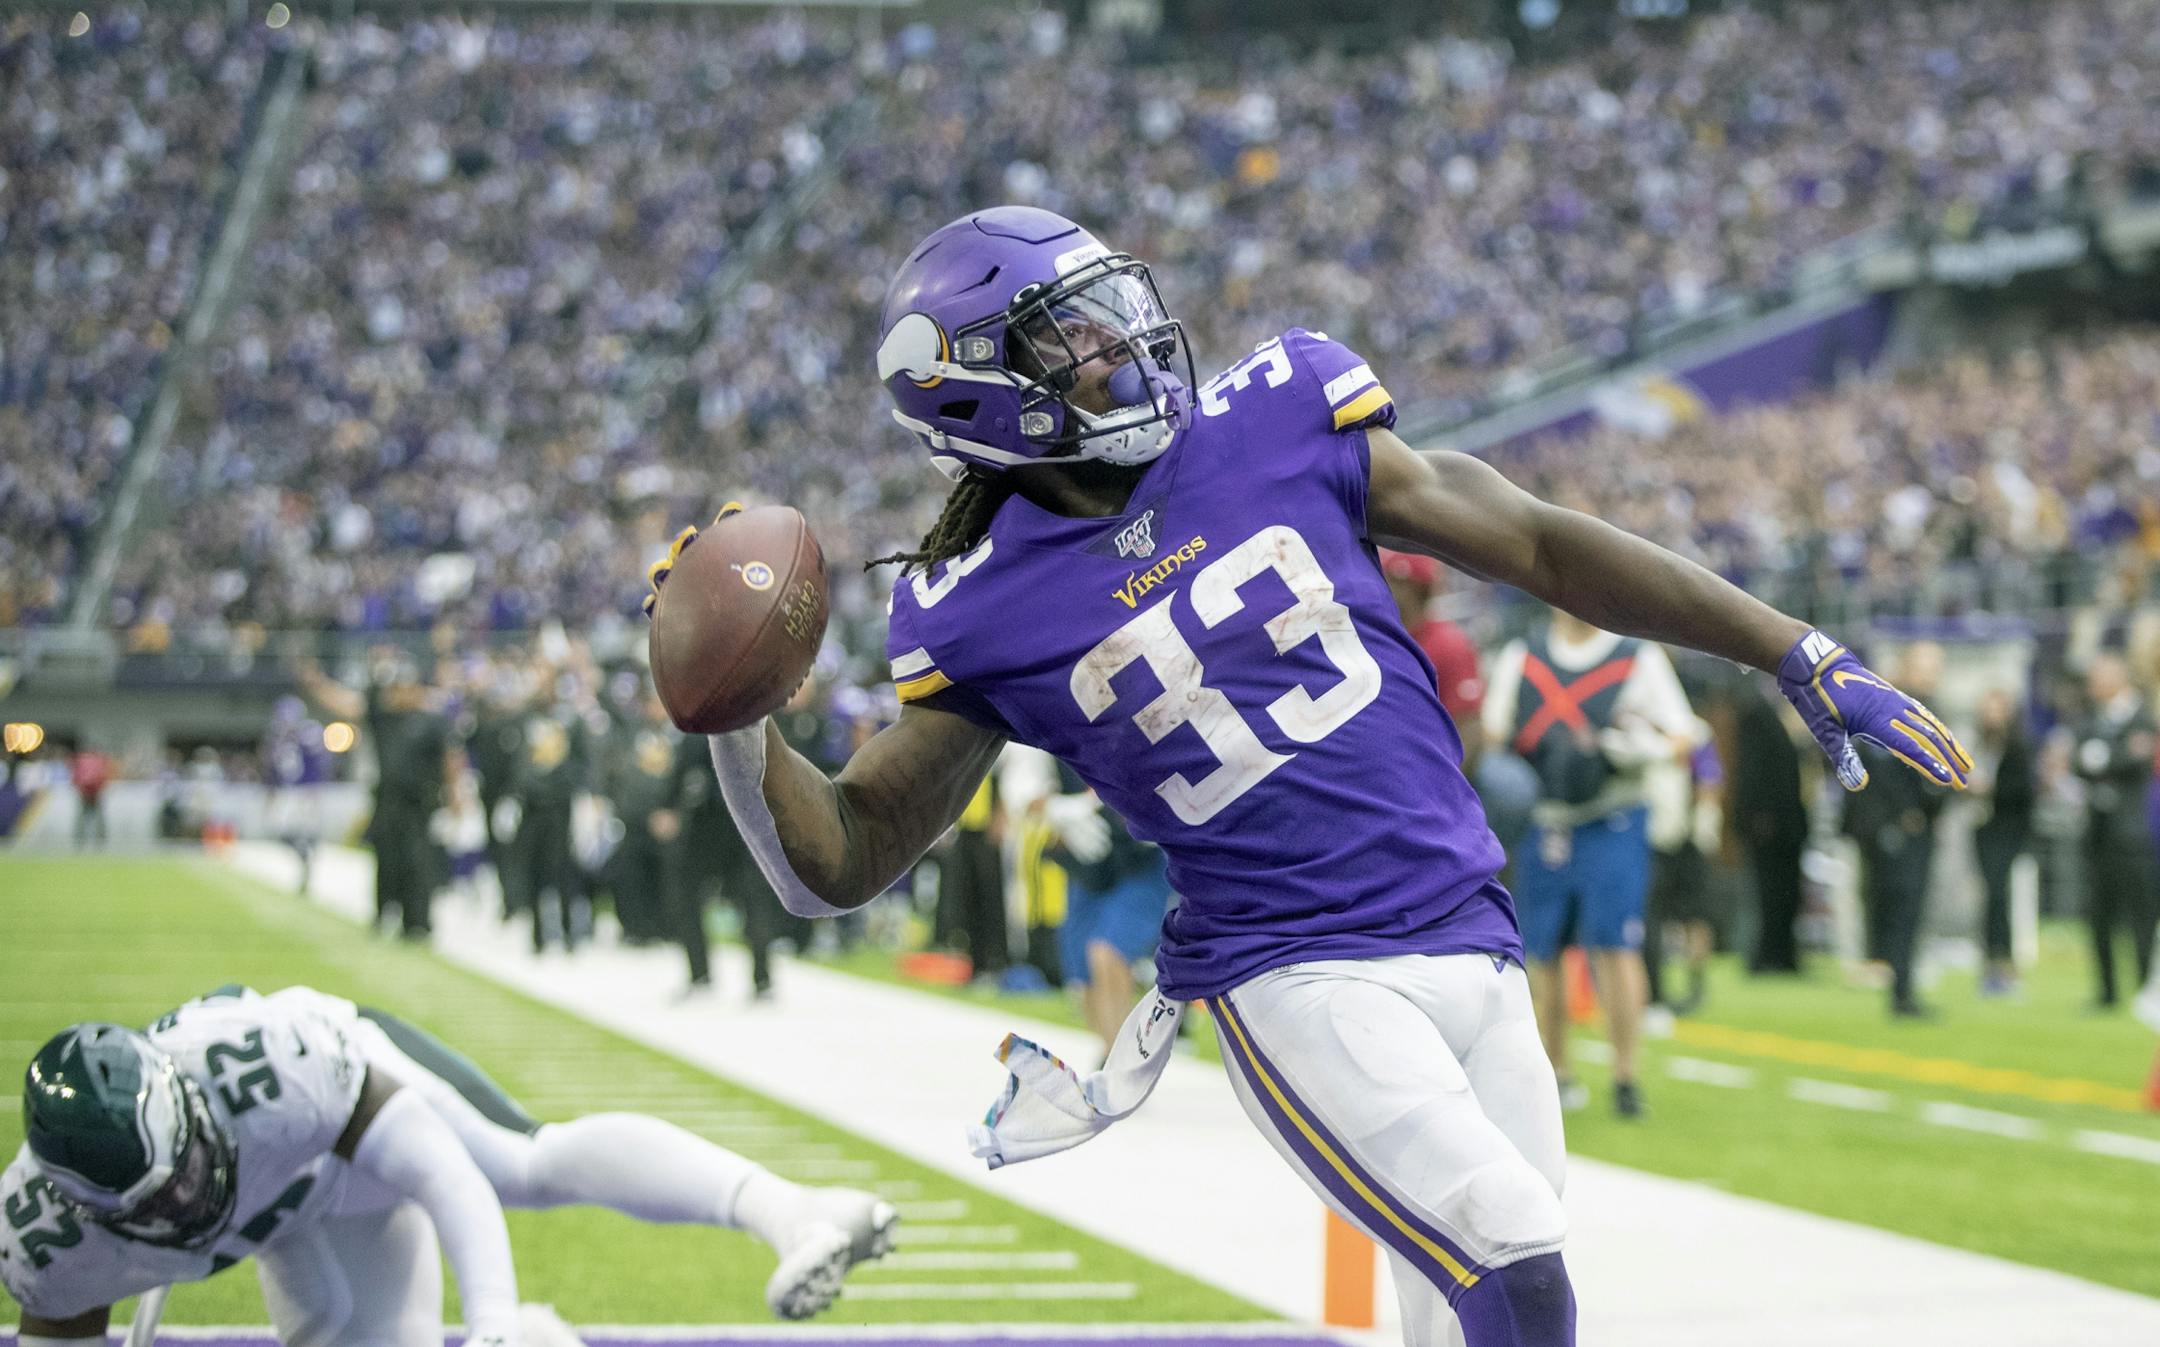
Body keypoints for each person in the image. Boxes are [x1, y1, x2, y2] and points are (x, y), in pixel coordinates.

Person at [650, 206, 1968, 1347]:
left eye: (1111, 308)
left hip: (1474, 931)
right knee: (1512, 1246)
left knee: (1467, 1307)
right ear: (973, 393)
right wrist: (734, 715)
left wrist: (1788, 646)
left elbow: (1535, 541)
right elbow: (844, 856)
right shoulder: (975, 608)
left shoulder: (1278, 413)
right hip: (1297, 973)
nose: (1120, 343)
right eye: (1067, 335)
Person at [0, 985, 896, 1346]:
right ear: (81, 1208)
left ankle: (794, 1207)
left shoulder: (271, 1068)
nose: (190, 1195)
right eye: (160, 1198)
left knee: (518, 1162)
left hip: (340, 1141)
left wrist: (493, 1323)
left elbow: (447, 1176)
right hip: (295, 1218)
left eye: (189, 1164)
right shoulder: (46, 1246)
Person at [1483, 614, 1696, 1118]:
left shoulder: (1636, 656)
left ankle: (1626, 1075)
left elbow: (1683, 736)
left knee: (1615, 944)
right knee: (1542, 948)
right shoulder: (1524, 653)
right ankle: (1556, 1070)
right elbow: (1494, 732)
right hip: (1546, 818)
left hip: (1612, 815)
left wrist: (1636, 747)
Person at [294, 652, 452, 941]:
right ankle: (383, 915)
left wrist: (455, 797)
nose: (395, 694)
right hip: (388, 801)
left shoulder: (433, 721)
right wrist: (317, 683)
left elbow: (450, 759)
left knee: (417, 864)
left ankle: (417, 923)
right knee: (386, 860)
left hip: (420, 804)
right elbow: (347, 705)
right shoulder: (384, 717)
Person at [1842, 643, 1951, 1018]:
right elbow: (1880, 770)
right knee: (1898, 909)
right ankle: (1899, 989)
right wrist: (1901, 815)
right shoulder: (1890, 711)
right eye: (1925, 667)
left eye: (1935, 668)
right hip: (1898, 830)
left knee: (1907, 910)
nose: (1932, 676)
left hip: (1913, 827)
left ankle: (1901, 984)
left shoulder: (1923, 711)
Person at [2072, 652, 2160, 1009]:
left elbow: (2134, 760)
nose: (2094, 684)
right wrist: (2110, 758)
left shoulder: (2142, 717)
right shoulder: (2091, 718)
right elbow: (2079, 761)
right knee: (2099, 913)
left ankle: (2146, 986)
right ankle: (2107, 992)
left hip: (2134, 833)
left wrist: (2103, 759)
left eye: (2101, 676)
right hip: (2097, 831)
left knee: (2142, 913)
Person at [1644, 716, 1722, 1017]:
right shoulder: (1648, 726)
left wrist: (1705, 823)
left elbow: (1709, 780)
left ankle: (1694, 983)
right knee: (1653, 916)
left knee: (1693, 914)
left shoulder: (1695, 731)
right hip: (1652, 835)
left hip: (1684, 833)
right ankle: (1656, 986)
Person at [1732, 676, 1810, 974]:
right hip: (1766, 821)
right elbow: (1751, 770)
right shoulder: (1757, 714)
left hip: (1790, 823)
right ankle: (1763, 956)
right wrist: (1756, 815)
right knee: (1765, 892)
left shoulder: (1791, 715)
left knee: (1788, 891)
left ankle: (1784, 955)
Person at [1970, 687, 2035, 997]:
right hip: (1982, 828)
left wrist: (1989, 789)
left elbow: (2023, 792)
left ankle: (2004, 961)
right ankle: (1991, 960)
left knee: (1999, 894)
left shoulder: (2018, 747)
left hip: (2007, 830)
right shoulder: (1978, 744)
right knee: (1991, 895)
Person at [68, 748, 112, 849]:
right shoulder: (99, 759)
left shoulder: (80, 759)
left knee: (81, 816)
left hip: (83, 792)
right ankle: (100, 841)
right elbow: (105, 775)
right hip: (96, 792)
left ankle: (79, 840)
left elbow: (74, 775)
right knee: (99, 816)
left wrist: (77, 786)